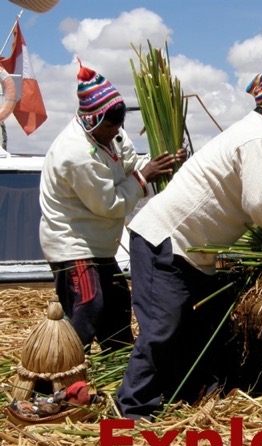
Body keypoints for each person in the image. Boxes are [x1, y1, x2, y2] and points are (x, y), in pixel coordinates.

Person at [116, 66, 262, 420]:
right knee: (161, 329)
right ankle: (132, 414)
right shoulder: (257, 139)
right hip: (165, 240)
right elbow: (261, 201)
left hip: (192, 252)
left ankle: (189, 392)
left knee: (205, 324)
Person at [39, 61, 183, 352]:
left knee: (117, 305)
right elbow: (110, 204)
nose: (116, 131)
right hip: (73, 243)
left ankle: (118, 370)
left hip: (101, 243)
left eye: (119, 124)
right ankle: (57, 375)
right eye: (110, 125)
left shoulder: (113, 132)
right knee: (89, 307)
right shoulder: (75, 153)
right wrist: (144, 178)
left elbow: (132, 165)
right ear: (92, 120)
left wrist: (163, 162)